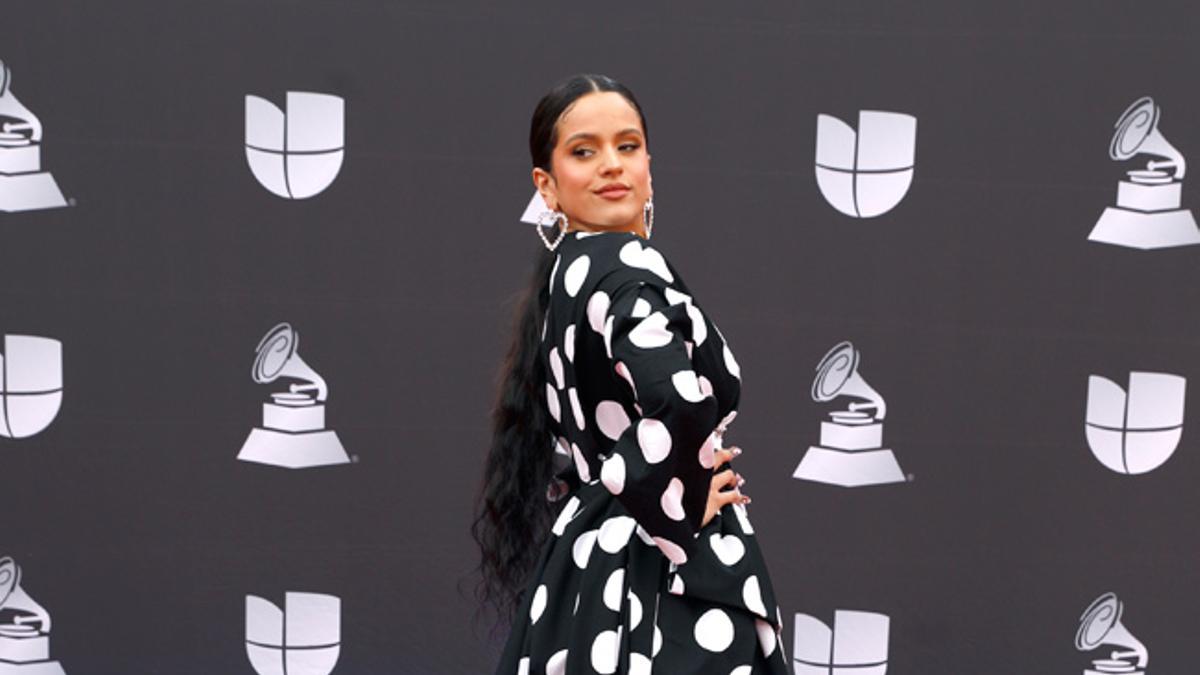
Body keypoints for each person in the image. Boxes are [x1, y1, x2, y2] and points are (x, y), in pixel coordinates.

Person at [473, 73, 787, 675]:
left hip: (587, 566)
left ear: (648, 163)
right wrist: (682, 498)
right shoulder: (624, 262)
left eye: (628, 146)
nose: (611, 165)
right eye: (584, 151)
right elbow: (678, 399)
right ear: (547, 184)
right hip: (663, 575)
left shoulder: (566, 273)